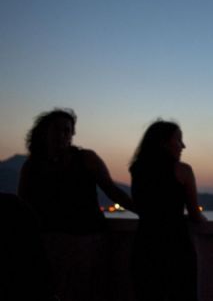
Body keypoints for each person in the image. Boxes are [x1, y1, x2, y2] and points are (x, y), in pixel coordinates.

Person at [18, 108, 135, 301]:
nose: (62, 135)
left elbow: (113, 191)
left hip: (87, 241)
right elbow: (23, 205)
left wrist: (145, 212)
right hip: (49, 243)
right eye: (57, 130)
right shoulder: (32, 166)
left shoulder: (87, 159)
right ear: (44, 133)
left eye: (67, 131)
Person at [129, 120, 206, 301]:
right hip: (176, 246)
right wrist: (204, 221)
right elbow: (195, 214)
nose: (183, 146)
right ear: (163, 142)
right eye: (179, 140)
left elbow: (141, 207)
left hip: (145, 245)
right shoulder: (183, 170)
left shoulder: (137, 169)